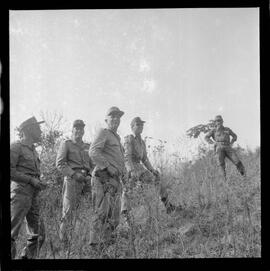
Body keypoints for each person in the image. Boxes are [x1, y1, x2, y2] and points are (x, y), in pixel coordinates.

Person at [120, 117, 177, 225]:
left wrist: (152, 169)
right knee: (128, 189)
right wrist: (131, 171)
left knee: (156, 178)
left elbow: (145, 159)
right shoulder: (129, 139)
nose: (140, 126)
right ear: (132, 127)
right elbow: (127, 157)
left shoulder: (142, 142)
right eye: (138, 124)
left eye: (142, 125)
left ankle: (167, 205)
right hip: (129, 166)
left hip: (139, 167)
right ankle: (125, 215)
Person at [89, 106, 126, 249]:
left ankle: (107, 243)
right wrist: (107, 166)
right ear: (106, 119)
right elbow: (93, 152)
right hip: (103, 177)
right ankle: (95, 246)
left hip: (115, 180)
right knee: (101, 213)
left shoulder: (116, 137)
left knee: (115, 216)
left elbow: (118, 159)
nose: (116, 119)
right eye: (113, 116)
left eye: (118, 117)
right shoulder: (103, 132)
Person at [10, 116, 47, 259]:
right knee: (12, 233)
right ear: (29, 129)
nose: (41, 131)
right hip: (19, 194)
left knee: (39, 235)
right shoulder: (16, 147)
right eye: (38, 128)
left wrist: (39, 182)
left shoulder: (34, 151)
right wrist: (31, 180)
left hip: (33, 196)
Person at [56, 119, 93, 245]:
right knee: (68, 211)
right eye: (76, 128)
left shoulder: (88, 146)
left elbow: (93, 165)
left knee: (87, 209)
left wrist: (90, 175)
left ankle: (83, 240)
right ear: (72, 130)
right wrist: (73, 174)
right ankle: (64, 243)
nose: (79, 131)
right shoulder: (66, 144)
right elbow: (60, 164)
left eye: (81, 128)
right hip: (72, 180)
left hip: (87, 181)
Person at [204, 115, 246, 180]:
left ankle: (245, 177)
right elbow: (206, 137)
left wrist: (232, 142)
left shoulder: (227, 129)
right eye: (217, 121)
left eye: (220, 120)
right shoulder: (213, 130)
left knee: (237, 161)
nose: (218, 122)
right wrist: (212, 143)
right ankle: (224, 183)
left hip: (228, 147)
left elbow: (235, 136)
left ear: (222, 121)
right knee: (221, 165)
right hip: (218, 148)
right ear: (215, 122)